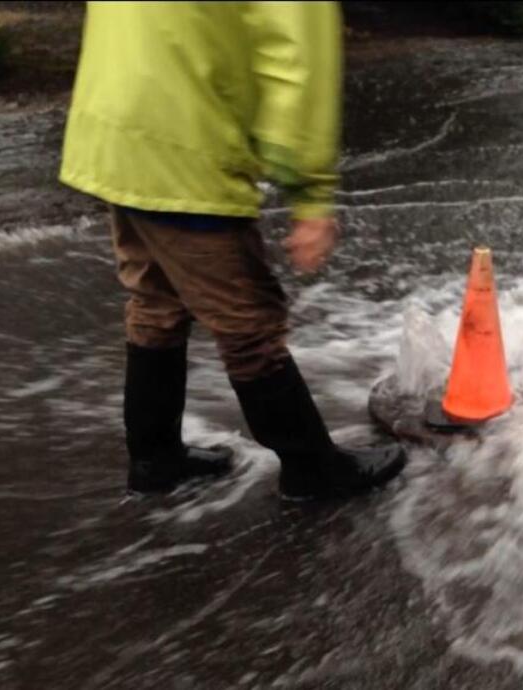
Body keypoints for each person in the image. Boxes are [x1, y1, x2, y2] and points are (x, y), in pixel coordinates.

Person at [59, 2, 406, 499]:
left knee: (157, 301)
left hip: (114, 132)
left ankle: (155, 459)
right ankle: (311, 470)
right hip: (184, 145)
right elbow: (296, 63)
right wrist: (310, 192)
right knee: (248, 322)